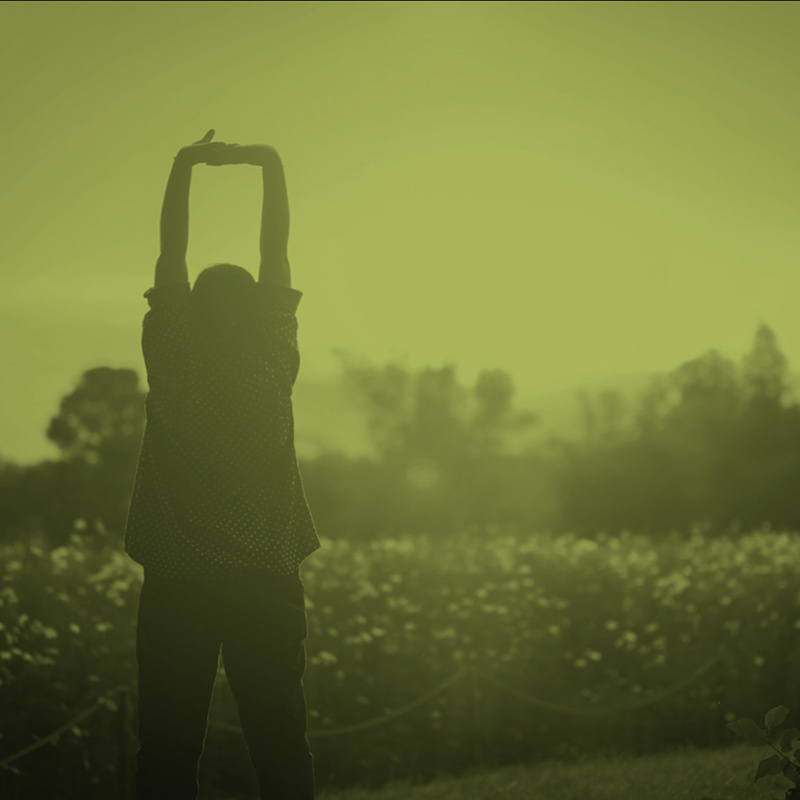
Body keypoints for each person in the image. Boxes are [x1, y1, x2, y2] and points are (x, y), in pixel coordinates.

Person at [124, 130, 321, 800]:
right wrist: (269, 162)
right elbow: (277, 249)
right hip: (266, 584)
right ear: (261, 313)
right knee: (279, 740)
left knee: (168, 747)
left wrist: (183, 164)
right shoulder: (276, 355)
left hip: (177, 583)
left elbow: (170, 253)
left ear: (190, 310)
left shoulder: (172, 351)